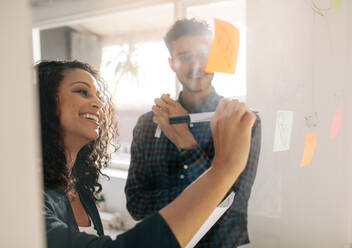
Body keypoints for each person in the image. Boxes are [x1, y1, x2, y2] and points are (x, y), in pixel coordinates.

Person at [38, 60, 256, 248]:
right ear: (44, 101)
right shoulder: (26, 198)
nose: (98, 103)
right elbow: (136, 206)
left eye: (97, 96)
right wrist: (223, 168)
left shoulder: (79, 186)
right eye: (82, 91)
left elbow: (232, 213)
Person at [125, 18, 262, 247]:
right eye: (184, 56)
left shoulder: (241, 120)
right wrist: (206, 195)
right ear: (172, 64)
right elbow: (136, 205)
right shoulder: (148, 124)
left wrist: (185, 141)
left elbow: (231, 209)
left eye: (203, 54)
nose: (196, 64)